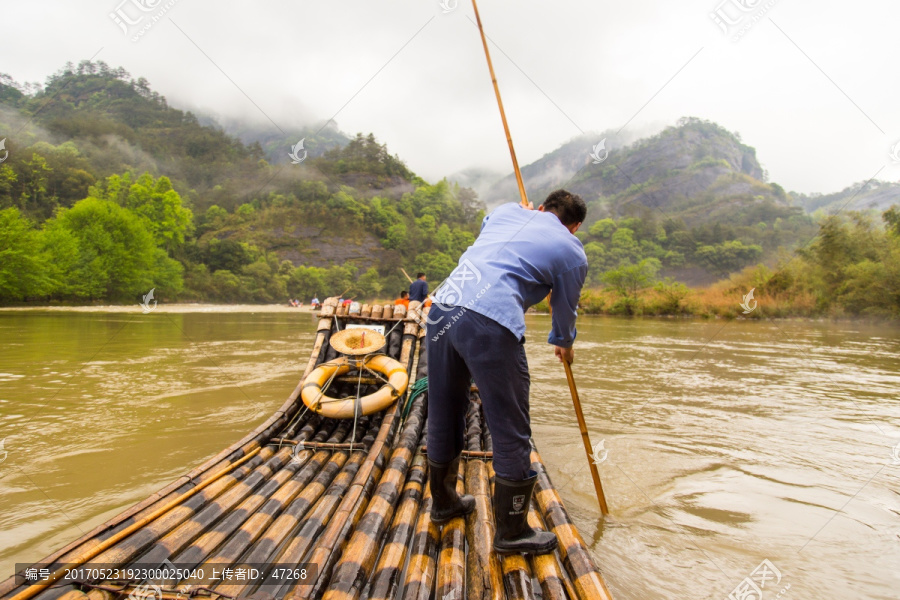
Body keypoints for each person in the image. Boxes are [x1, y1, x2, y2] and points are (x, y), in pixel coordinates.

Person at [426, 190, 587, 555]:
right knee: (510, 425)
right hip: (489, 320)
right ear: (575, 226)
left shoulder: (505, 212)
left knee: (443, 411)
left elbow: (488, 228)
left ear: (544, 208)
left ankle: (444, 502)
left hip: (441, 308)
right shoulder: (572, 250)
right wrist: (563, 341)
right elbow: (565, 307)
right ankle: (512, 532)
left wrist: (521, 212)